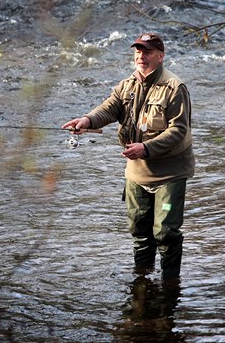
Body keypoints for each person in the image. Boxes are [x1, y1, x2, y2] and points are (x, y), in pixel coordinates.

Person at [62, 33, 194, 280]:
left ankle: (170, 283)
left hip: (170, 174)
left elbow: (179, 130)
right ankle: (142, 279)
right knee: (139, 231)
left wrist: (146, 148)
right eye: (137, 52)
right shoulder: (126, 85)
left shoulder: (176, 88)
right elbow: (109, 108)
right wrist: (86, 120)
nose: (140, 57)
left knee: (165, 232)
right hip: (136, 172)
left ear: (160, 56)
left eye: (147, 52)